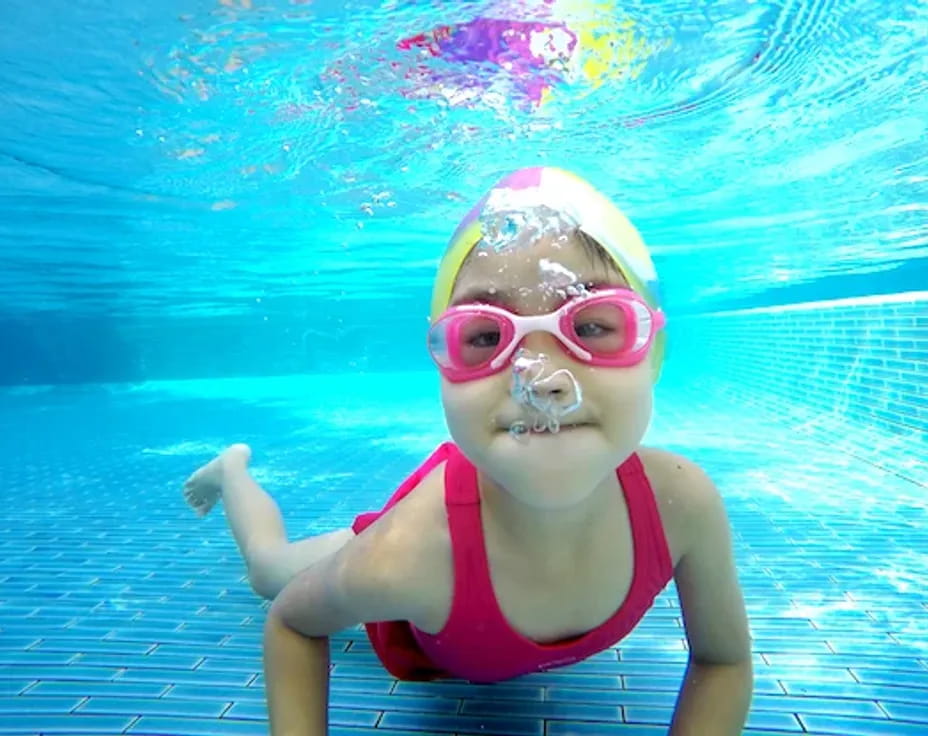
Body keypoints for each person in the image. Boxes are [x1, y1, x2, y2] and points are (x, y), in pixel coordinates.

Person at [184, 166, 753, 735]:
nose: (542, 382)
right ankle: (232, 470)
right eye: (484, 337)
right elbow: (291, 623)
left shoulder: (682, 506)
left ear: (653, 352)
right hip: (443, 523)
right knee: (268, 571)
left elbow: (723, 660)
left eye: (594, 325)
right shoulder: (403, 556)